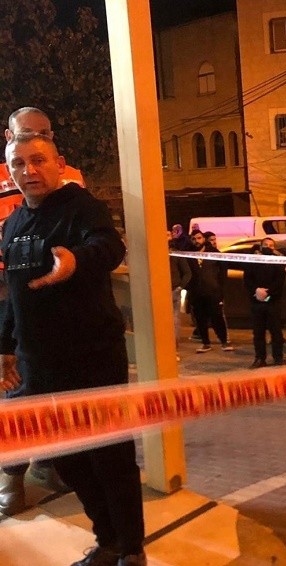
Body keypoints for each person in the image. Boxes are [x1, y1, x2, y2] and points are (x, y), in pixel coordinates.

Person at [0, 133, 146, 564]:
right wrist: (5, 347)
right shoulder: (12, 224)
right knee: (67, 460)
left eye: (38, 160)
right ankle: (108, 540)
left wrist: (77, 260)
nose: (29, 171)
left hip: (92, 357)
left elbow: (109, 246)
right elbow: (15, 293)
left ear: (59, 163)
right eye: (18, 164)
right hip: (38, 364)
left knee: (110, 457)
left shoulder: (81, 206)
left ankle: (131, 549)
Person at [0, 107, 84, 190]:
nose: (36, 140)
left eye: (43, 134)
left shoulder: (72, 177)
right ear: (9, 136)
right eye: (26, 134)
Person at [187, 230, 233, 353]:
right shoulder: (188, 254)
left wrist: (221, 289)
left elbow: (223, 272)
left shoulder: (214, 253)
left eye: (199, 238)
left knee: (217, 317)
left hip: (213, 292)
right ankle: (205, 343)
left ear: (203, 239)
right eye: (193, 239)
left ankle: (224, 341)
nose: (196, 241)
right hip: (196, 293)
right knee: (200, 319)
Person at [243, 238, 285, 368]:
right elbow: (247, 280)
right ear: (261, 247)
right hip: (257, 301)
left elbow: (279, 281)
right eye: (265, 245)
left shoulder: (277, 262)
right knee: (258, 332)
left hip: (273, 301)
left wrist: (268, 293)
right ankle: (260, 358)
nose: (268, 247)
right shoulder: (253, 262)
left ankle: (278, 357)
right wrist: (256, 291)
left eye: (271, 245)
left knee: (276, 331)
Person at [169, 229, 192, 358]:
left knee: (174, 320)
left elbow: (187, 273)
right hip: (161, 290)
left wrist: (179, 287)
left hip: (173, 290)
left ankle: (174, 349)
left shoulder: (176, 255)